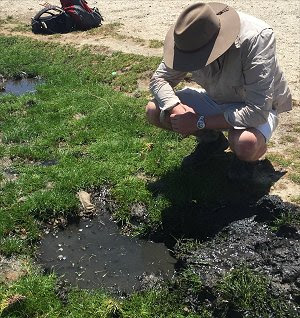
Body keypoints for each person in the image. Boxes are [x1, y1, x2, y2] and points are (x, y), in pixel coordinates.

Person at [146, 2, 292, 181]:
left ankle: (247, 161)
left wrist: (199, 122)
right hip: (217, 98)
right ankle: (212, 142)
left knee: (246, 144)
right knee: (155, 110)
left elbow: (257, 111)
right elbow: (159, 79)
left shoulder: (256, 38)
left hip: (257, 106)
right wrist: (176, 108)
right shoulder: (190, 36)